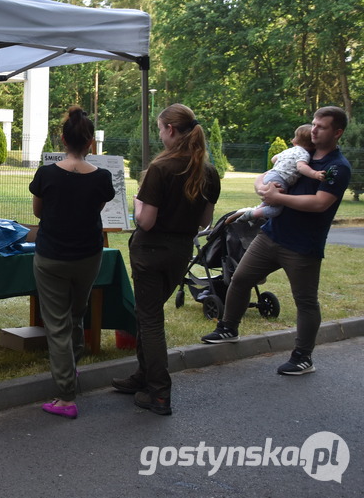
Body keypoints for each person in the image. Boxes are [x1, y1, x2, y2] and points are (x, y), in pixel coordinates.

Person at [202, 106, 351, 375]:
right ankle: (228, 328)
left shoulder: (337, 167)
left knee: (305, 301)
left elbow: (320, 203)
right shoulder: (301, 154)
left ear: (337, 132)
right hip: (271, 235)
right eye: (314, 124)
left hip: (303, 246)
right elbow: (268, 176)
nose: (314, 129)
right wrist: (261, 187)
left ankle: (303, 357)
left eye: (322, 126)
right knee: (240, 279)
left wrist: (277, 198)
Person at [112, 104, 220, 415]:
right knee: (149, 314)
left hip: (151, 252)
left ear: (170, 130)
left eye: (160, 129)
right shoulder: (208, 172)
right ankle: (144, 376)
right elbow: (204, 222)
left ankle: (159, 392)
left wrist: (136, 204)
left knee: (149, 319)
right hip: (180, 252)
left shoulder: (161, 168)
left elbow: (145, 221)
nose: (160, 135)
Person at [29, 107, 115, 420]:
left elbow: (38, 212)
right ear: (90, 142)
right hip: (88, 255)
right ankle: (72, 369)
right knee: (76, 314)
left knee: (57, 324)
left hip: (51, 256)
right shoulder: (102, 178)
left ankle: (66, 396)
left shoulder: (47, 174)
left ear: (62, 139)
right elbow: (98, 207)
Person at [228, 124, 322, 224]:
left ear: (295, 141)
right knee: (276, 210)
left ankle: (257, 210)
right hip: (280, 180)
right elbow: (301, 167)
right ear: (313, 145)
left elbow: (273, 159)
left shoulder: (288, 151)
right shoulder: (304, 154)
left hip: (271, 175)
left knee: (269, 202)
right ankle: (251, 215)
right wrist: (315, 174)